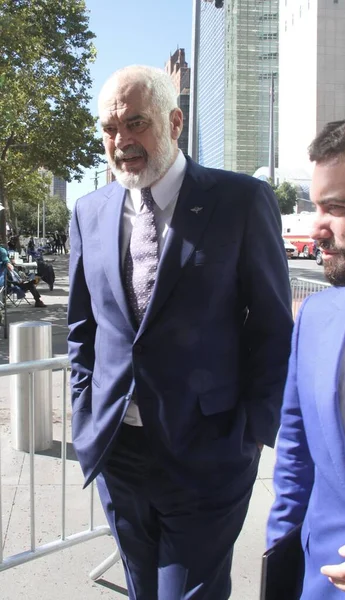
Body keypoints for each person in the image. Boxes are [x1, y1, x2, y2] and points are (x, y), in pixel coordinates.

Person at [68, 65, 292, 600]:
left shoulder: (240, 201)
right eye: (109, 128)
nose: (121, 141)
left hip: (209, 456)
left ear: (175, 121)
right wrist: (84, 414)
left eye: (136, 123)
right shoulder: (88, 212)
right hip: (118, 453)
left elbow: (271, 327)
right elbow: (82, 329)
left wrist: (253, 433)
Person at [267, 120, 345, 599]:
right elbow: (294, 457)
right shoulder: (314, 316)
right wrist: (278, 555)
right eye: (317, 206)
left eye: (335, 207)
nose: (316, 226)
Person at [0, 243, 46, 307]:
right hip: (14, 285)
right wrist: (19, 281)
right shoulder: (5, 270)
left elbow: (18, 275)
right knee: (31, 284)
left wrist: (23, 278)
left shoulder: (13, 268)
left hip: (19, 281)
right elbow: (9, 281)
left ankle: (38, 300)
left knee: (32, 279)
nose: (12, 260)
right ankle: (38, 301)